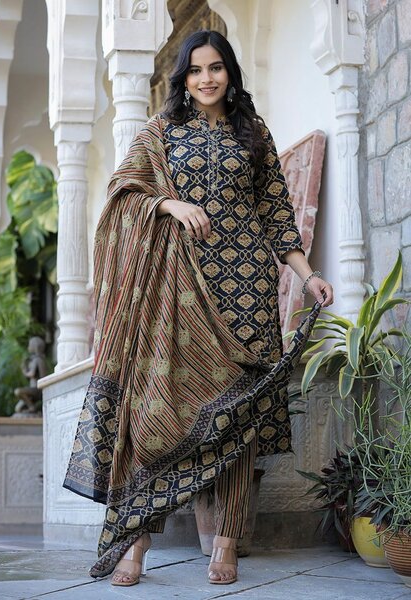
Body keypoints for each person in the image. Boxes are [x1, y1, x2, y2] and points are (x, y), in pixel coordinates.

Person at [64, 29, 334, 587]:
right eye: (195, 70)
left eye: (215, 68)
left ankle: (225, 544)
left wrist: (308, 277)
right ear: (182, 78)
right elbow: (122, 193)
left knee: (238, 420)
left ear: (229, 72)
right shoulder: (160, 132)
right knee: (154, 414)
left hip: (247, 292)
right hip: (176, 291)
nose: (206, 78)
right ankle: (137, 543)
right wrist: (169, 203)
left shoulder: (253, 132)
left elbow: (277, 216)